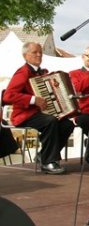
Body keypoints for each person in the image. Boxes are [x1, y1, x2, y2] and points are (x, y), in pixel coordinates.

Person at [3, 42, 73, 174]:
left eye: (40, 52)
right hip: (24, 115)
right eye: (34, 52)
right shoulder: (23, 72)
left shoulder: (43, 72)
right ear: (25, 55)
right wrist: (33, 100)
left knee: (67, 125)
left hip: (40, 114)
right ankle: (48, 162)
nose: (39, 55)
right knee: (50, 121)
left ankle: (43, 155)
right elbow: (8, 96)